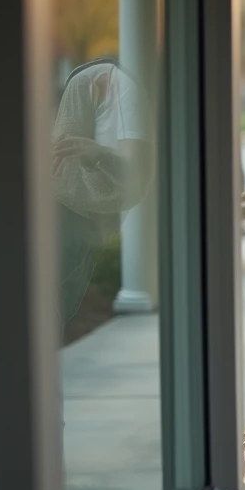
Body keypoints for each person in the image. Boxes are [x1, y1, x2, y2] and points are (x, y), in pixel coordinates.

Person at [52, 58, 153, 327]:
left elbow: (135, 175)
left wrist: (98, 155)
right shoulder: (109, 83)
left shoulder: (122, 86)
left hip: (79, 217)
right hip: (74, 216)